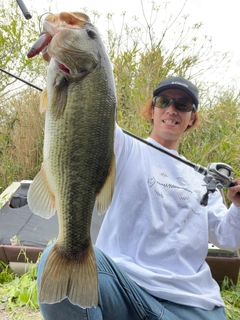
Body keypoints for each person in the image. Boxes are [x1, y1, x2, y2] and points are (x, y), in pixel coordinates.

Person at [37, 76, 240, 320]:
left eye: (183, 105)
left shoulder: (204, 180)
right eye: (164, 101)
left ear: (192, 118)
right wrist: (64, 67)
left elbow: (229, 236)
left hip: (193, 304)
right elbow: (87, 112)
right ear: (152, 110)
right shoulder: (123, 147)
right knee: (59, 259)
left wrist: (238, 205)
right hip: (123, 290)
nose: (172, 110)